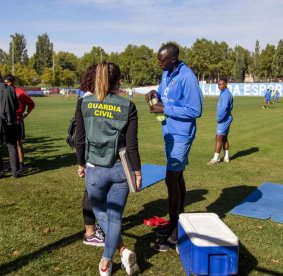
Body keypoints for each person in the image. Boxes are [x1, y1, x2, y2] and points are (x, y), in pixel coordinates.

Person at [75, 62, 141, 275]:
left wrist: (80, 163)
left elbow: (80, 139)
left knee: (101, 213)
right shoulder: (127, 105)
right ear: (118, 80)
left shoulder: (83, 103)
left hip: (94, 168)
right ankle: (108, 260)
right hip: (120, 169)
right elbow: (132, 144)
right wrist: (137, 171)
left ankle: (111, 259)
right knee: (113, 217)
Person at [145, 43, 203, 252]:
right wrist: (154, 95)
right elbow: (163, 96)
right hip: (169, 132)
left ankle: (175, 231)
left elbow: (196, 110)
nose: (158, 63)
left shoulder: (187, 77)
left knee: (171, 179)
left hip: (181, 135)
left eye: (161, 60)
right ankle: (178, 222)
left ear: (173, 59)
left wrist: (165, 108)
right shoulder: (166, 73)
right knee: (177, 177)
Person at [76, 64, 105, 247]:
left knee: (100, 191)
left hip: (97, 154)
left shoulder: (93, 99)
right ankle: (90, 233)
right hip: (90, 155)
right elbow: (81, 135)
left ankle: (99, 226)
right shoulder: (86, 100)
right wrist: (81, 163)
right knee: (91, 191)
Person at [3, 74, 35, 172]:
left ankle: (21, 164)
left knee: (18, 142)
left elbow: (31, 104)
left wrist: (25, 114)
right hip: (7, 121)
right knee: (10, 143)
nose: (6, 84)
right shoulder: (4, 92)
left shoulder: (20, 92)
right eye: (5, 83)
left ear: (13, 82)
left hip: (17, 121)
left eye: (8, 82)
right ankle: (14, 164)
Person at [207, 78, 233, 165]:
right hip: (226, 118)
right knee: (224, 138)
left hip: (224, 119)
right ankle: (226, 157)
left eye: (221, 84)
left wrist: (220, 118)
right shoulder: (224, 93)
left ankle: (215, 158)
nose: (219, 85)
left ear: (226, 84)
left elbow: (224, 107)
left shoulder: (225, 94)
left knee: (218, 138)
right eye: (218, 84)